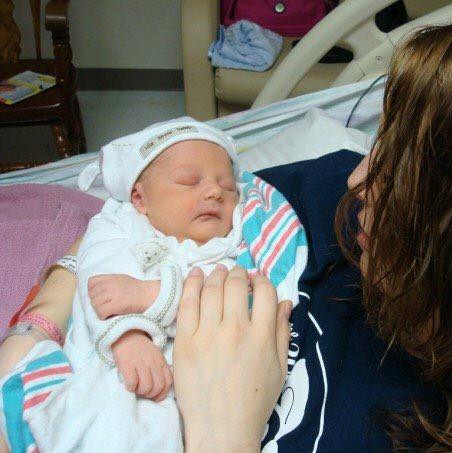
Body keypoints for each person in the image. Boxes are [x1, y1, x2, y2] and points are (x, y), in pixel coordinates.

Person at [1, 15, 452, 452]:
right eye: (380, 141)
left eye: (409, 174)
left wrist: (224, 433)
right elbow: (143, 212)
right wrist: (40, 325)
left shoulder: (437, 431)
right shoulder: (323, 201)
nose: (362, 177)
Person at [0, 119, 306, 452]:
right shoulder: (120, 225)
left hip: (179, 393)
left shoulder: (232, 247)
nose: (215, 191)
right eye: (189, 181)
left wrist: (152, 296)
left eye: (228, 186)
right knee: (85, 421)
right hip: (107, 365)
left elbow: (239, 307)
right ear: (140, 199)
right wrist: (126, 334)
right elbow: (100, 282)